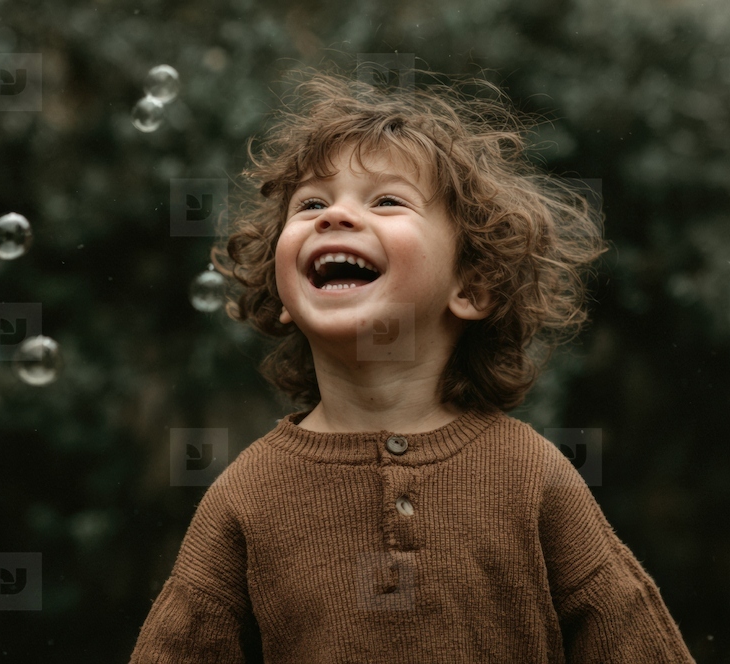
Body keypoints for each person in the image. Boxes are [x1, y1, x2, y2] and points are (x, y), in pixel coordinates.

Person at [129, 64, 695, 663]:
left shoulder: (530, 476)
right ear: (284, 299)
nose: (334, 216)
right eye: (312, 202)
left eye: (387, 200)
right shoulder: (246, 495)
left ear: (472, 286)